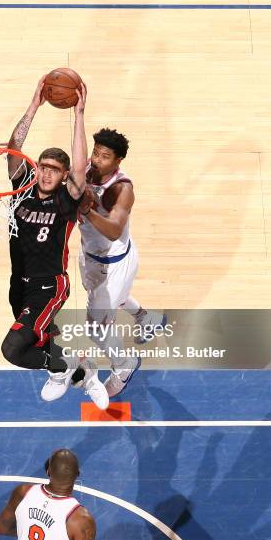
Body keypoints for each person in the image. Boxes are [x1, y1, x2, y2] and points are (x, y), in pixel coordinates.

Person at [1, 76, 108, 410]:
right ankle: (85, 374)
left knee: (13, 349)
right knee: (40, 338)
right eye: (43, 167)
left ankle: (61, 370)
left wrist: (78, 114)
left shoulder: (66, 200)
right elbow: (13, 148)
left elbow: (80, 167)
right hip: (18, 285)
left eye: (54, 170)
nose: (47, 174)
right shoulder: (22, 187)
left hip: (50, 285)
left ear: (63, 175)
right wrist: (34, 104)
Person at [78, 128, 166, 398]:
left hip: (114, 263)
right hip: (92, 257)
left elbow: (115, 229)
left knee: (95, 328)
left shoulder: (122, 188)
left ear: (118, 162)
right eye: (95, 152)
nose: (96, 159)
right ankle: (146, 318)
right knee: (114, 297)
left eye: (105, 156)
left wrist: (86, 209)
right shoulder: (86, 171)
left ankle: (124, 366)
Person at [0, 448, 96, 540]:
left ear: (48, 471)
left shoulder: (23, 493)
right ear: (77, 474)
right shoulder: (81, 520)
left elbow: (2, 528)